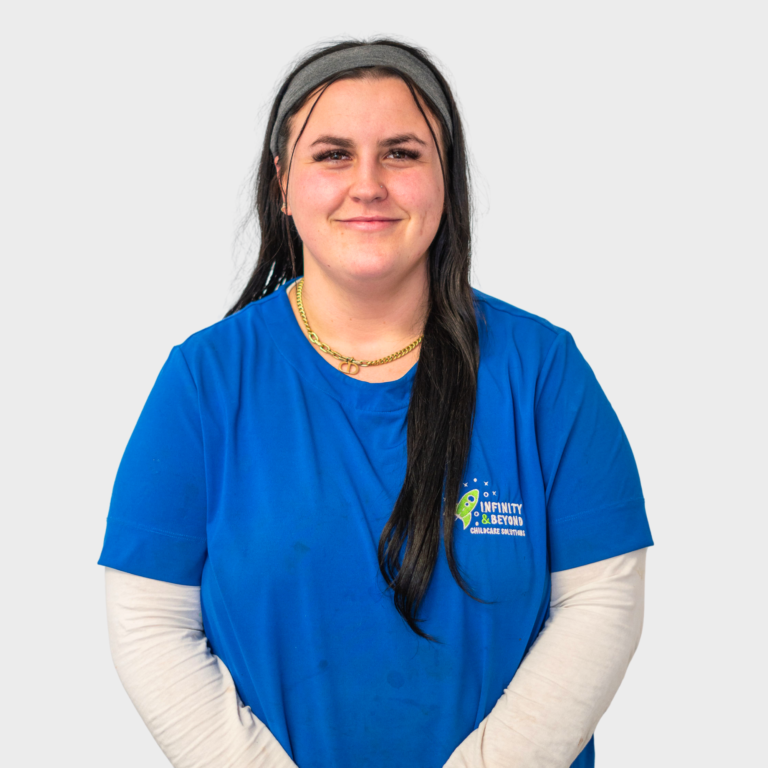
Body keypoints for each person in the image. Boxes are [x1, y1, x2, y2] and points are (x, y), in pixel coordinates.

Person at [97, 38, 654, 768]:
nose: (368, 184)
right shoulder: (205, 381)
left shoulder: (544, 372)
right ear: (282, 182)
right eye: (332, 154)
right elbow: (150, 620)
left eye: (401, 153)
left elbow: (601, 605)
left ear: (444, 179)